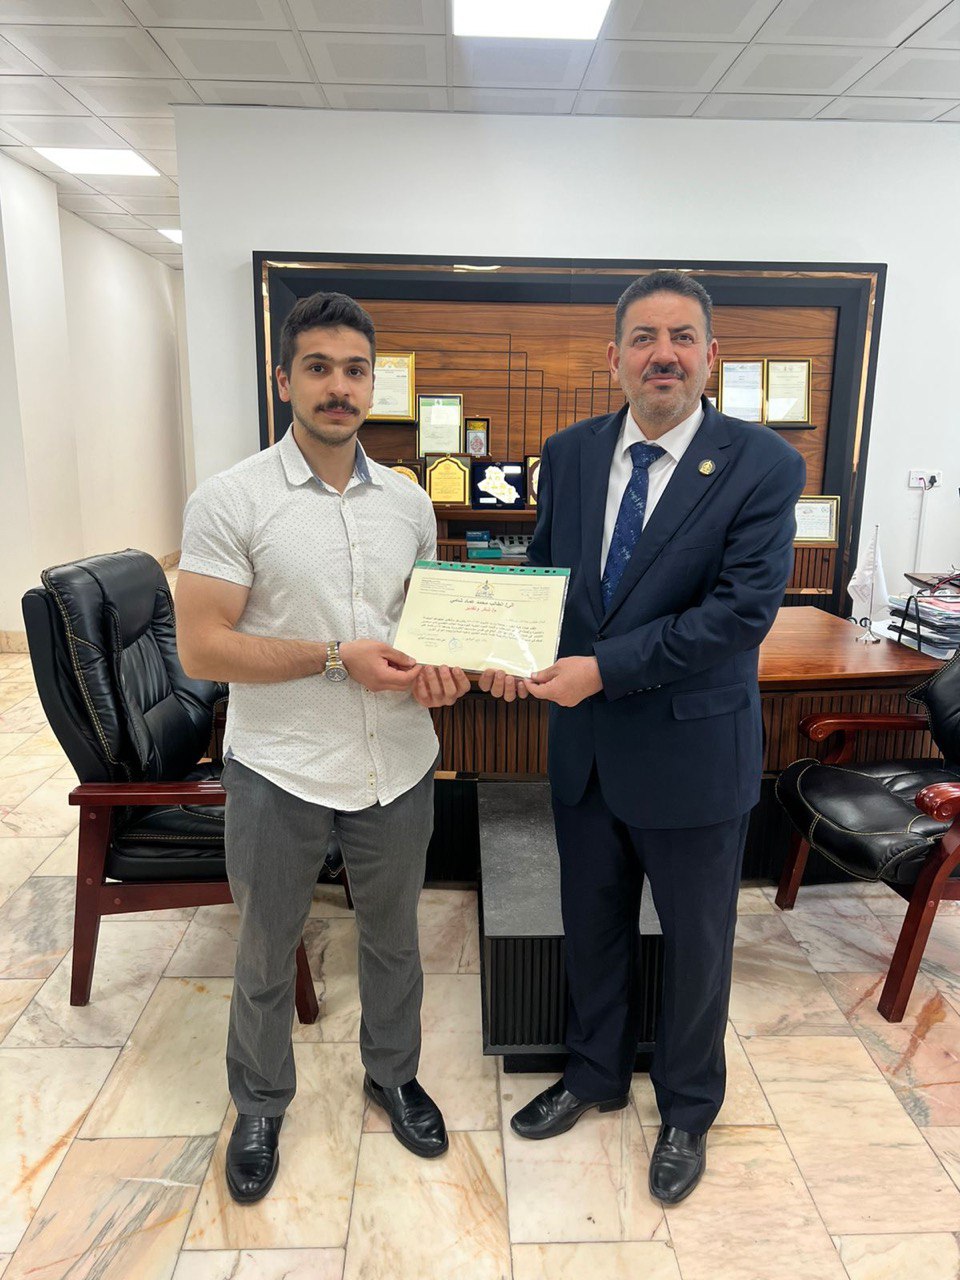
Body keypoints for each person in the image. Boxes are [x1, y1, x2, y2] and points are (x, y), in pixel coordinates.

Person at [480, 270, 805, 1204]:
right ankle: (594, 1075)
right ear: (614, 356)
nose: (664, 354)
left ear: (711, 355)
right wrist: (505, 647)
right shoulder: (570, 452)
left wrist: (601, 669)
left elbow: (738, 615)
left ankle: (689, 1108)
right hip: (585, 754)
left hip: (693, 755)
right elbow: (549, 576)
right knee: (592, 927)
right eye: (644, 338)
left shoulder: (762, 464)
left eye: (682, 337)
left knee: (698, 947)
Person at [175, 291, 470, 1204]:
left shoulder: (410, 503)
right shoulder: (230, 500)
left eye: (354, 370)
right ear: (284, 380)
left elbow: (422, 625)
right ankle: (261, 1103)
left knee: (395, 941)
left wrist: (443, 668)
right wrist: (337, 657)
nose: (338, 387)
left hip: (398, 763)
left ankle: (393, 1076)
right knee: (267, 949)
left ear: (373, 384)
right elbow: (202, 648)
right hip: (281, 766)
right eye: (318, 368)